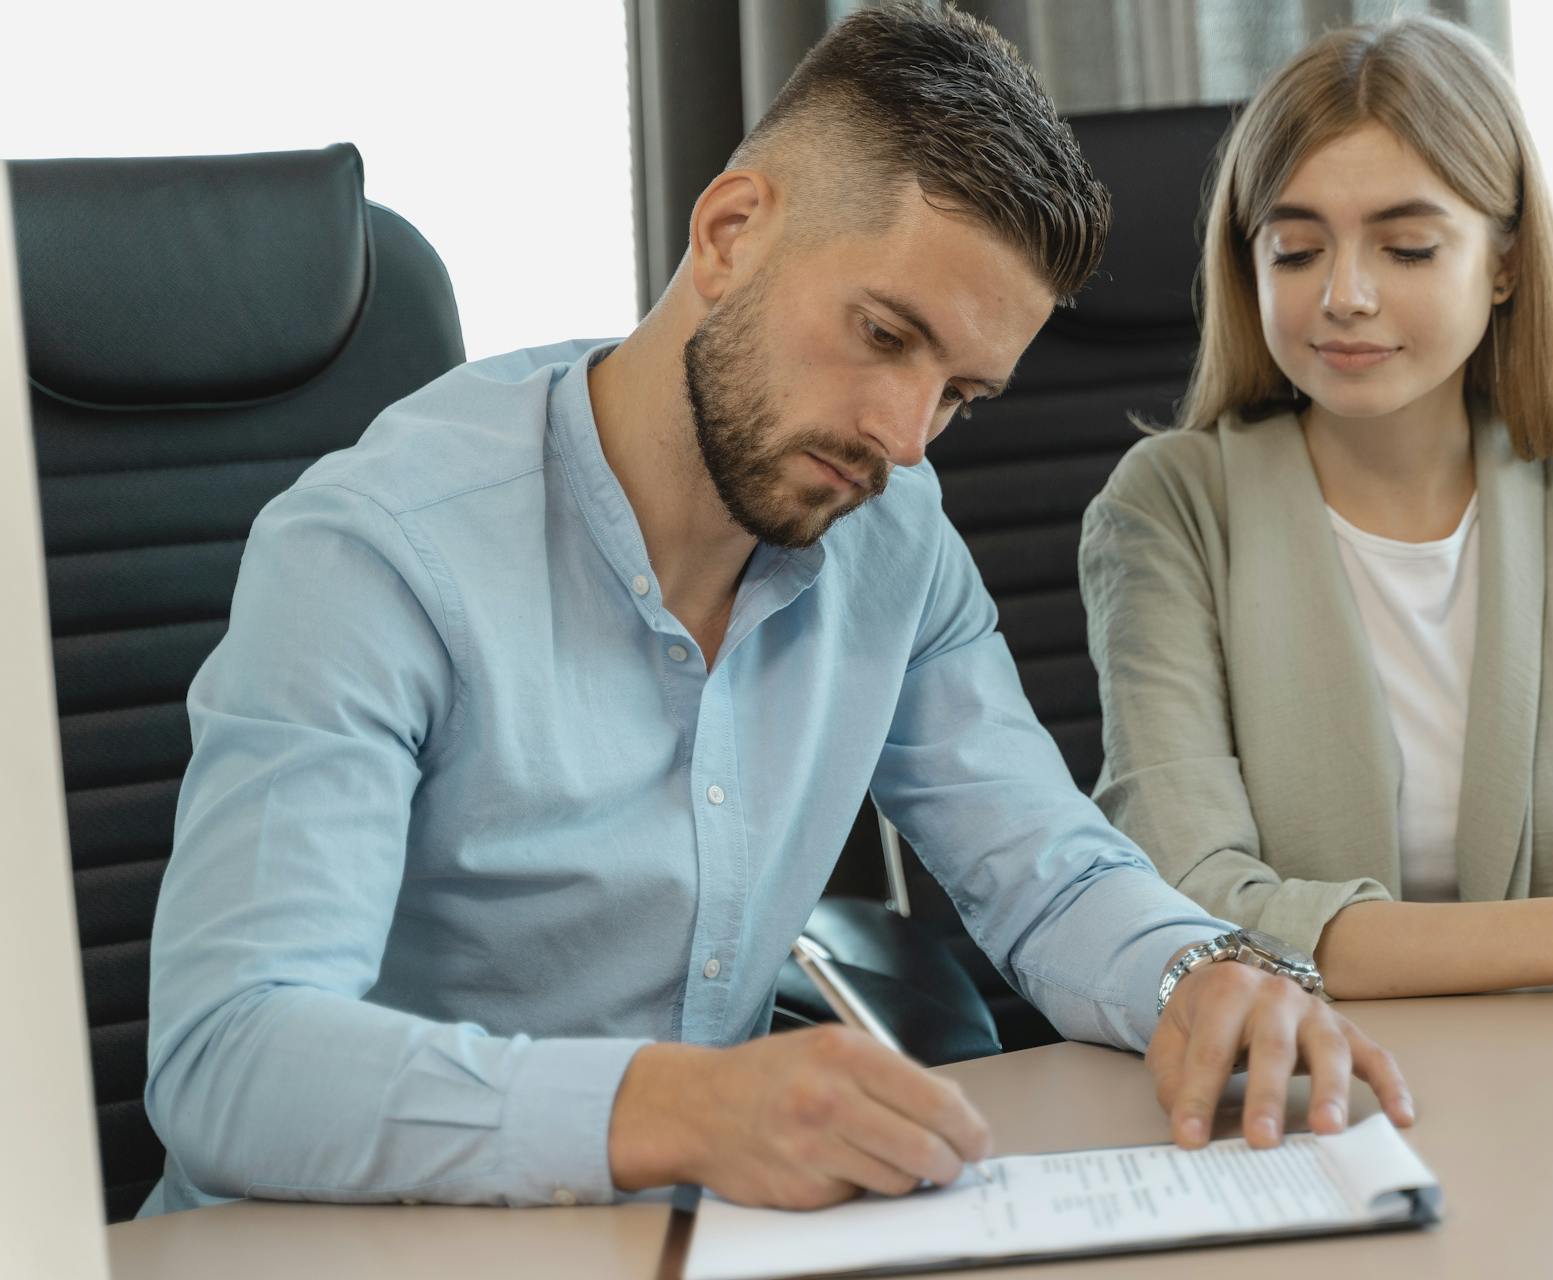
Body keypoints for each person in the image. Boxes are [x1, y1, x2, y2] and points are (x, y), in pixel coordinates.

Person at [141, 5, 1415, 1219]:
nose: (906, 438)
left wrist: (1205, 974)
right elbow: (232, 1054)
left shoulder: (889, 534)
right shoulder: (377, 552)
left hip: (710, 1234)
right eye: (882, 333)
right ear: (732, 230)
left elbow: (1045, 870)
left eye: (961, 392)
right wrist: (674, 1106)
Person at [1079, 16, 1553, 1002]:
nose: (1344, 295)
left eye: (1405, 248)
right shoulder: (1169, 507)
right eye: (1296, 250)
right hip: (1322, 1078)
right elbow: (1190, 900)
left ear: (1504, 262)